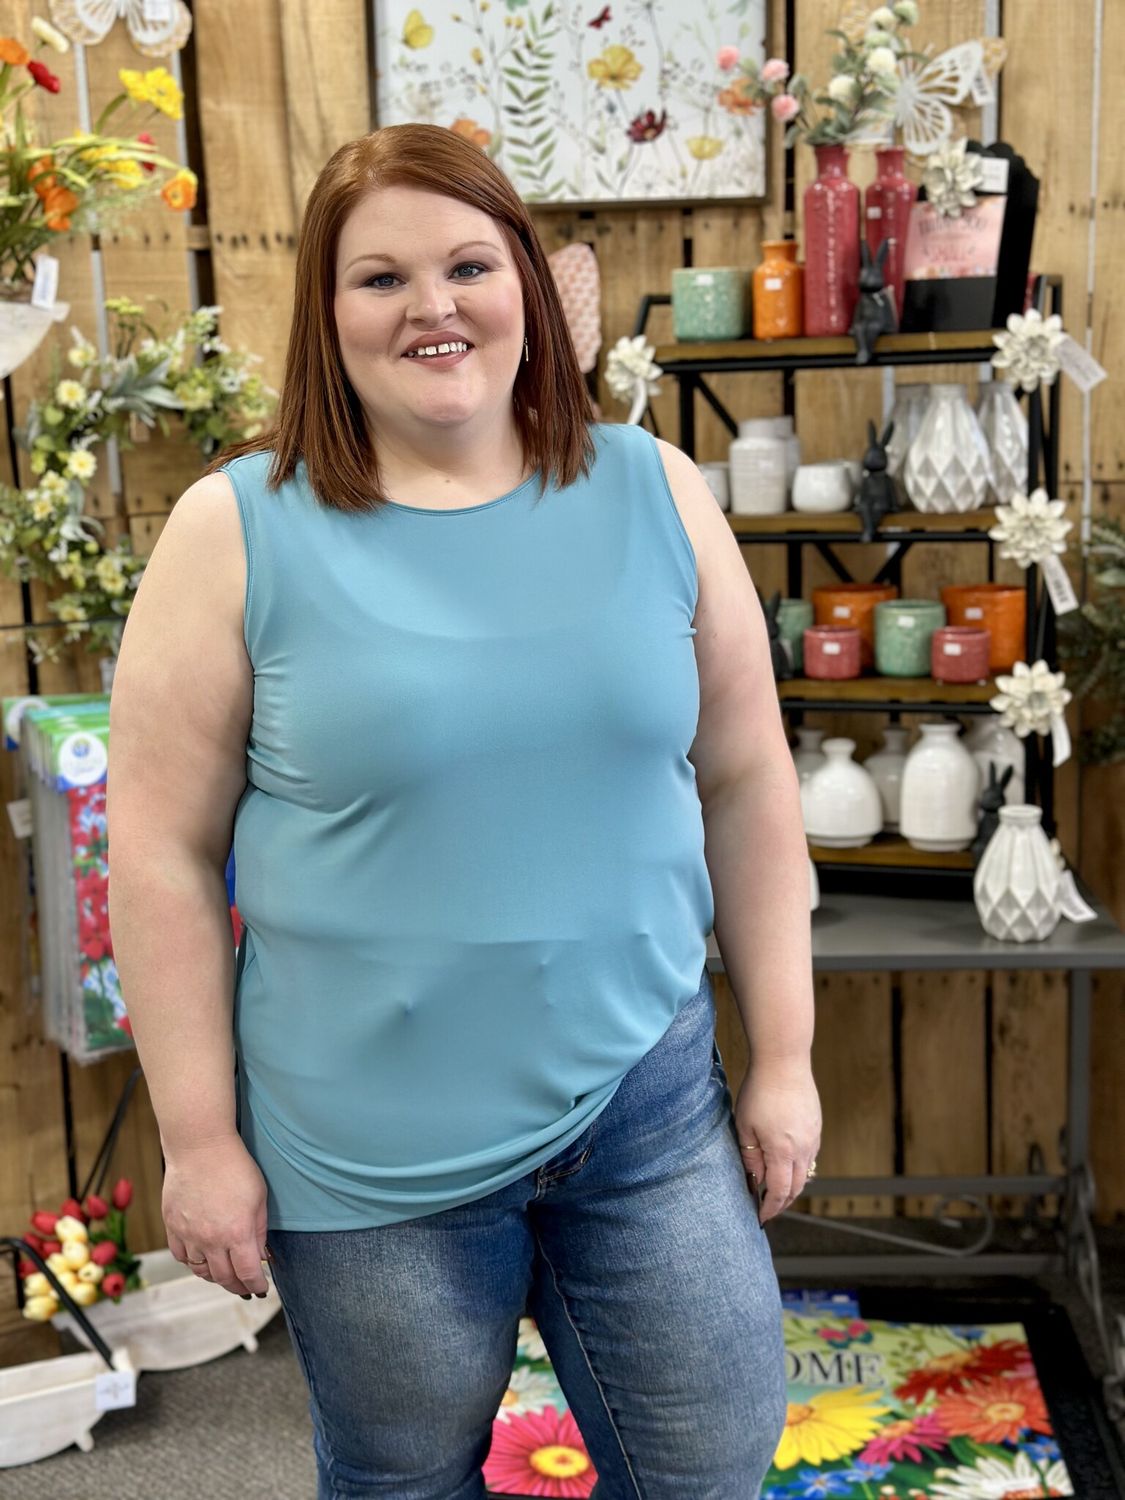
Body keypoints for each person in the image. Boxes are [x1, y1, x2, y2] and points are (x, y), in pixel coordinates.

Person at [107, 123, 821, 1499]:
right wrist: (199, 1142)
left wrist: (782, 1056)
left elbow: (745, 777)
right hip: (368, 1153)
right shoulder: (235, 527)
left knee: (709, 1465)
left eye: (467, 264)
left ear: (530, 292)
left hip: (646, 1111)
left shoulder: (655, 489)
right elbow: (162, 856)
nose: (432, 305)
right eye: (379, 278)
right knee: (403, 1480)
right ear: (327, 314)